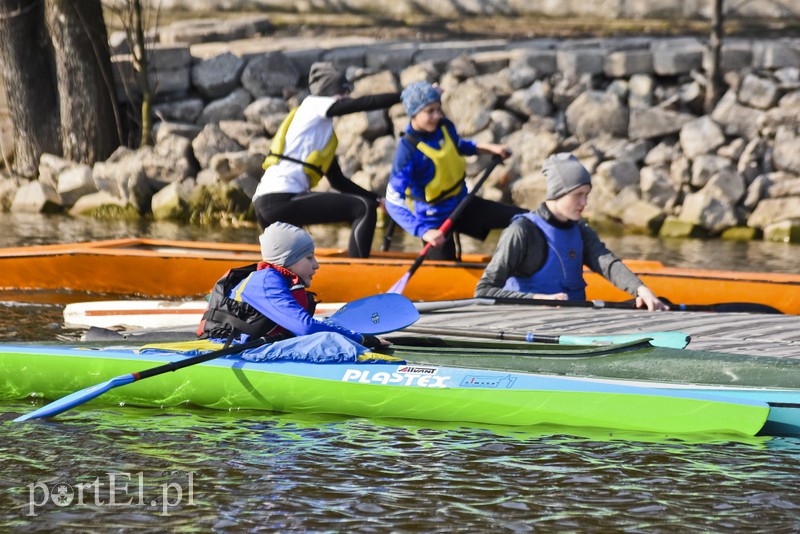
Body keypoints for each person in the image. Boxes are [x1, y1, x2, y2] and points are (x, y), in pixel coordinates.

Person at [474, 152, 669, 311]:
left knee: (657, 301)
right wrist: (536, 299)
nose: (584, 203)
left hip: (572, 322)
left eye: (586, 195)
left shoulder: (581, 230)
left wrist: (640, 289)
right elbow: (483, 291)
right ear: (558, 193)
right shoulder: (522, 231)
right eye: (578, 195)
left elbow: (608, 264)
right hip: (526, 322)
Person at [251, 62, 400, 258]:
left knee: (294, 260)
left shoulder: (316, 133)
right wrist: (403, 96)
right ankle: (356, 271)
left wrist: (378, 199)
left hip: (267, 204)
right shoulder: (313, 104)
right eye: (344, 92)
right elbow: (361, 103)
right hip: (281, 199)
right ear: (329, 92)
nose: (347, 97)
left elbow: (338, 181)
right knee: (363, 208)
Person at [384, 80, 525, 261]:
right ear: (413, 113)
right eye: (430, 111)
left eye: (438, 109)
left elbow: (457, 146)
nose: (437, 116)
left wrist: (489, 149)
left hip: (462, 205)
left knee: (525, 219)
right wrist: (424, 232)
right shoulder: (408, 151)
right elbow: (392, 201)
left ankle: (522, 266)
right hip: (435, 222)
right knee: (440, 280)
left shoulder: (443, 126)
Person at [197, 221, 389, 348]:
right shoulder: (265, 282)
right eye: (308, 257)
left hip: (254, 346)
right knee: (329, 344)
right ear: (286, 260)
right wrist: (362, 339)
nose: (316, 265)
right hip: (228, 348)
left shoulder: (280, 281)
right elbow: (305, 328)